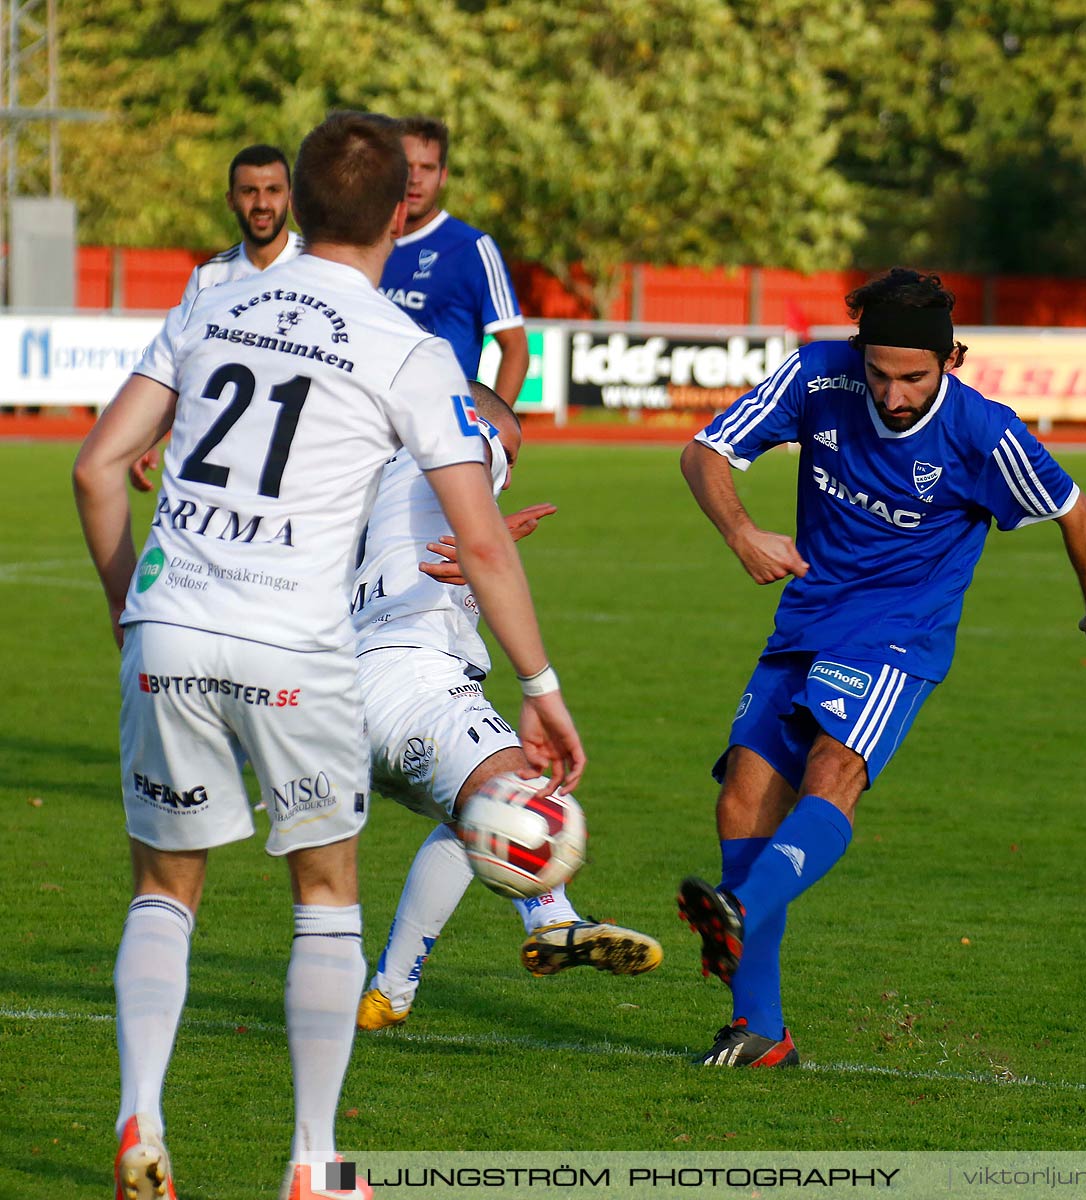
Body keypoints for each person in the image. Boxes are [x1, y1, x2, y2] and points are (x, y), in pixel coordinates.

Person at [73, 110, 584, 1200]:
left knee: (165, 889)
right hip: (296, 647)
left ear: (291, 203)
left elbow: (97, 468)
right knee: (325, 896)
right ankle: (312, 1162)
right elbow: (480, 538)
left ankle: (139, 1118)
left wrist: (134, 614)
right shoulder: (409, 348)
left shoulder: (215, 298)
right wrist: (537, 688)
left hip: (170, 631)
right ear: (403, 210)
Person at [675, 268, 1086, 1068]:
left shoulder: (984, 434)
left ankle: (741, 910)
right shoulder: (819, 374)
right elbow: (704, 453)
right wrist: (742, 532)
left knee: (832, 773)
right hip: (806, 619)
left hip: (898, 634)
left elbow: (1075, 511)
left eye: (914, 378)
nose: (893, 395)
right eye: (880, 374)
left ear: (951, 360)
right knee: (740, 801)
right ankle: (759, 1029)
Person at [353, 383, 661, 1032]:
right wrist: (485, 532)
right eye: (510, 453)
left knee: (468, 818)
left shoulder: (371, 475)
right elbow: (465, 460)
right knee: (521, 785)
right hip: (413, 678)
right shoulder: (469, 436)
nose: (508, 471)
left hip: (347, 696)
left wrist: (483, 537)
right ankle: (553, 921)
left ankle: (390, 992)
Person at [131, 144, 306, 492]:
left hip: (298, 462)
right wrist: (144, 435)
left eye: (273, 191)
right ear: (230, 200)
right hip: (223, 467)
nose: (261, 204)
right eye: (249, 191)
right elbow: (180, 366)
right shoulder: (209, 277)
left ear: (291, 197)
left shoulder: (319, 266)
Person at [377, 116, 527, 402]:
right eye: (407, 167)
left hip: (442, 432)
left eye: (427, 168)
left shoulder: (471, 247)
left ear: (443, 175)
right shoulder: (366, 241)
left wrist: (491, 431)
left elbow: (516, 347)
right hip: (371, 428)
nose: (415, 179)